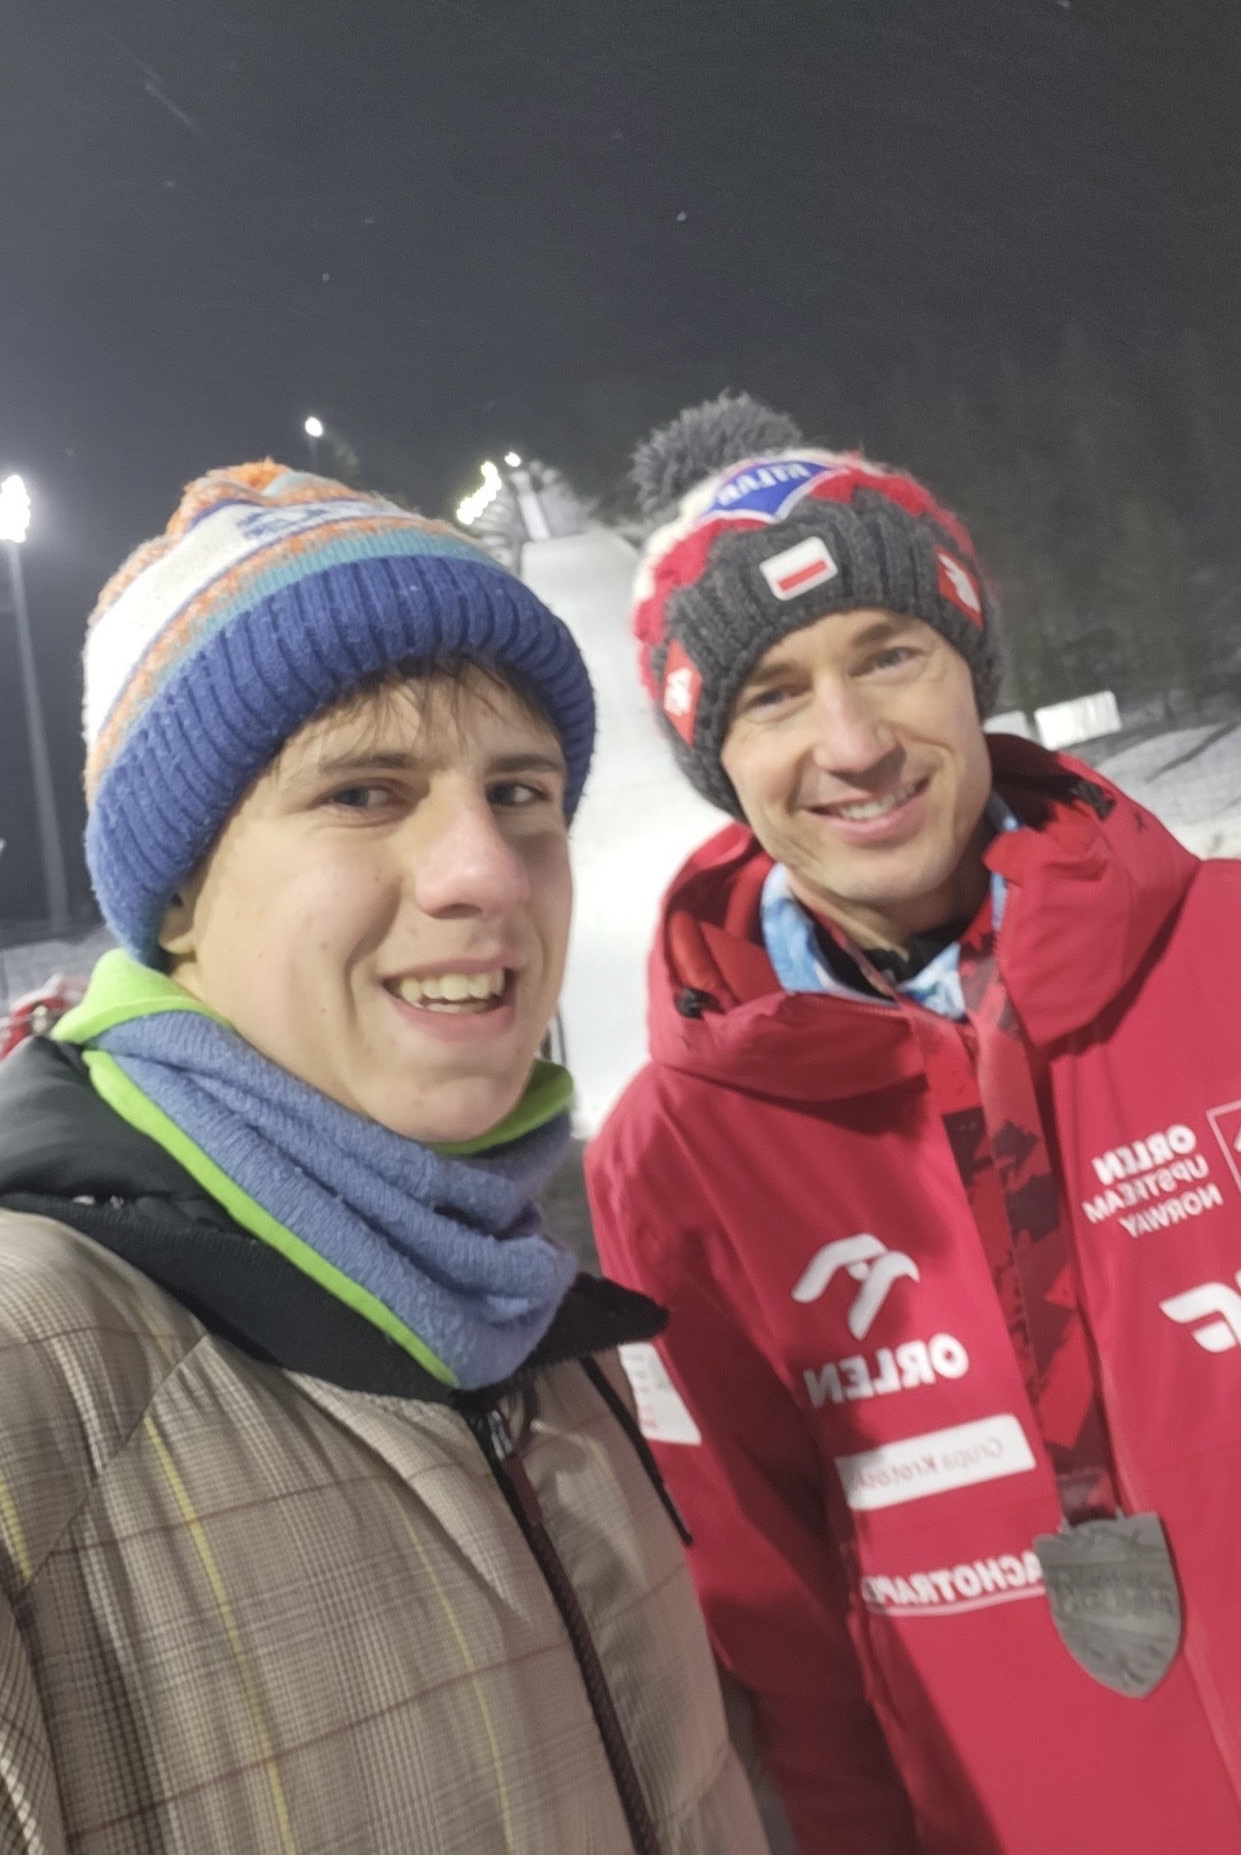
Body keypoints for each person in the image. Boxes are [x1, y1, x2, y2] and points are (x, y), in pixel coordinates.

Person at [0, 459, 767, 1855]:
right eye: (363, 793)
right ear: (177, 895)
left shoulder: (522, 1308)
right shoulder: (29, 1379)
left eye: (521, 791)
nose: (488, 871)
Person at [587, 393, 1241, 1855]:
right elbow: (778, 1628)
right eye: (772, 695)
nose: (853, 743)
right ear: (714, 756)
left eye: (889, 654)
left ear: (970, 667)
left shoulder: (1228, 956)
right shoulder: (674, 1155)